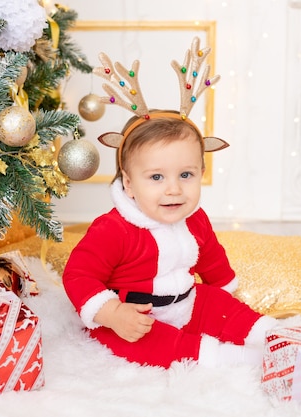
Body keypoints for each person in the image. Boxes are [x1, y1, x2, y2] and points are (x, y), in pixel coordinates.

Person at [62, 110, 278, 369]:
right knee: (156, 344)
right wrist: (113, 314)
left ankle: (272, 335)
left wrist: (226, 297)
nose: (173, 189)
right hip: (136, 316)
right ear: (129, 184)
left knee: (218, 304)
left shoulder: (195, 219)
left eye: (186, 175)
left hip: (185, 301)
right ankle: (223, 358)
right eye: (156, 177)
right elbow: (78, 276)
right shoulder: (113, 229)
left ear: (201, 172)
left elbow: (212, 261)